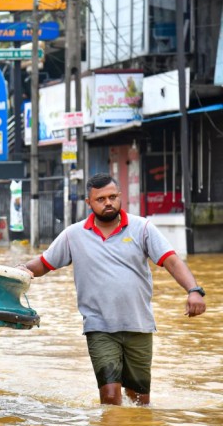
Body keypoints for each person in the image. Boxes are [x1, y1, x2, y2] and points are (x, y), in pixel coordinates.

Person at [17, 173, 207, 406]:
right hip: (99, 327)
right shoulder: (74, 235)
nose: (108, 203)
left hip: (139, 325)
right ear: (89, 203)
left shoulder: (142, 228)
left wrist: (193, 290)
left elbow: (172, 261)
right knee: (109, 397)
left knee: (139, 401)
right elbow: (43, 264)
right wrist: (18, 272)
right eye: (101, 199)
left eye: (113, 197)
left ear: (120, 197)